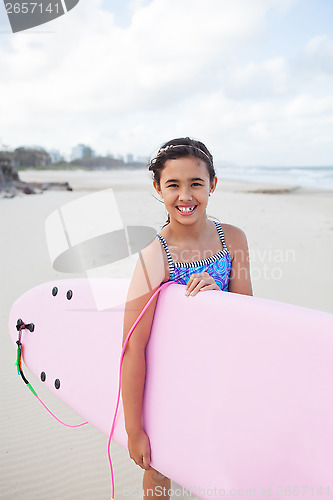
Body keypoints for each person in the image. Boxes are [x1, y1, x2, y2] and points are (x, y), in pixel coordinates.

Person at [121, 137, 253, 499]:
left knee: (221, 467)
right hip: (168, 383)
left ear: (212, 184)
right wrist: (135, 430)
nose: (185, 196)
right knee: (158, 472)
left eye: (195, 183)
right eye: (173, 185)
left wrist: (218, 296)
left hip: (220, 377)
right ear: (157, 188)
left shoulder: (233, 240)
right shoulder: (155, 255)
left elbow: (249, 318)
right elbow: (133, 345)